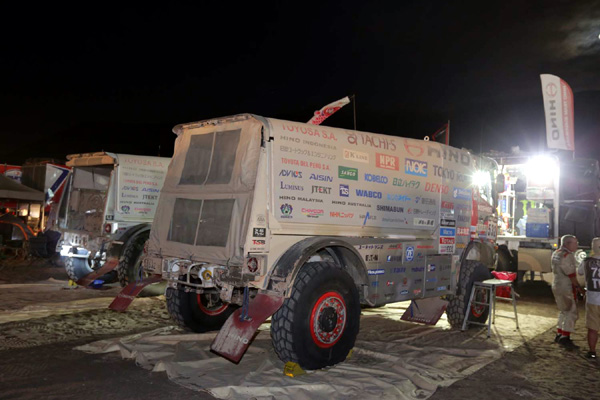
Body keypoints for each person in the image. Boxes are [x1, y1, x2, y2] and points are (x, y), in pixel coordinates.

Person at [551, 234, 584, 349]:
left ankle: (559, 333)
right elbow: (571, 275)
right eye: (575, 243)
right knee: (571, 311)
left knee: (563, 310)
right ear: (567, 244)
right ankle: (565, 337)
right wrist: (579, 288)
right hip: (566, 287)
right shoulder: (568, 256)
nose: (577, 245)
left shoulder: (556, 253)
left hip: (556, 284)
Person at [577, 237, 600, 361]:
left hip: (592, 299)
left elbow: (580, 273)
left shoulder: (586, 261)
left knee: (593, 328)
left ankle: (592, 352)